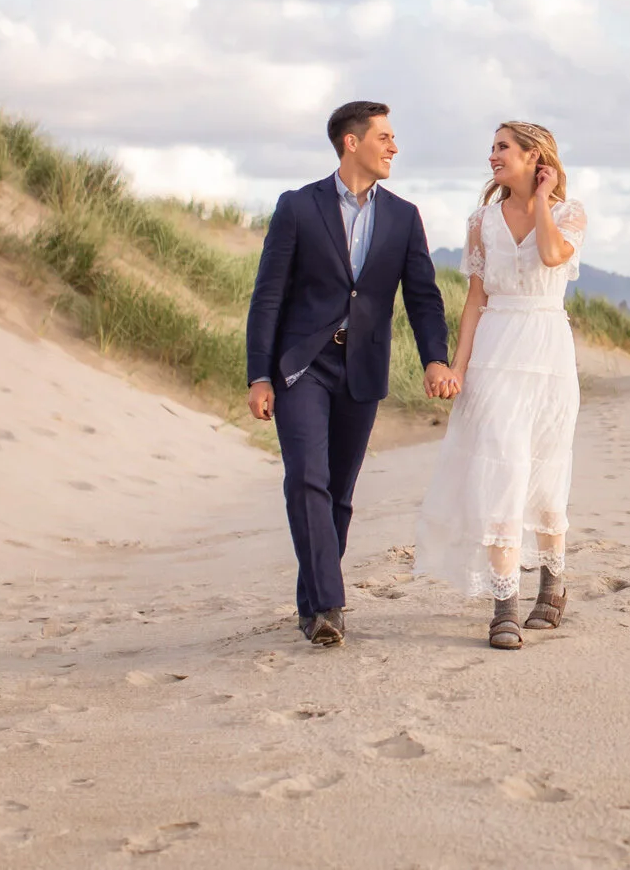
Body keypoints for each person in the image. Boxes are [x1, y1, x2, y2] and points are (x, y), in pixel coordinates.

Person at [245, 101, 454, 647]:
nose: (393, 147)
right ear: (351, 143)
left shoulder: (405, 217)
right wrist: (258, 376)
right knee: (306, 480)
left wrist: (435, 356)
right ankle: (331, 606)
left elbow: (424, 298)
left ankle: (311, 602)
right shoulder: (297, 207)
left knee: (339, 492)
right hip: (301, 366)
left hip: (361, 367)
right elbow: (268, 297)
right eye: (384, 137)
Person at [414, 121, 587, 650]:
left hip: (548, 353)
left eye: (502, 147)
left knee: (544, 470)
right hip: (494, 353)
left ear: (535, 156)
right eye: (491, 147)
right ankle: (504, 603)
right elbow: (474, 300)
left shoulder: (568, 213)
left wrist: (539, 197)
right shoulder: (480, 221)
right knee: (500, 471)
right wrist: (458, 368)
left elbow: (555, 255)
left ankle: (552, 583)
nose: (492, 156)